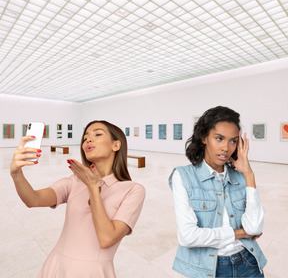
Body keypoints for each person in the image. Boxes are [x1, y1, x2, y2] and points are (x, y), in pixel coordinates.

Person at [10, 120, 145, 278]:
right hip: (56, 266)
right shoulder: (74, 181)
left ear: (116, 145)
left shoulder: (133, 190)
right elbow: (33, 200)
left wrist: (93, 188)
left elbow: (107, 239)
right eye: (85, 137)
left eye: (97, 134)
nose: (88, 139)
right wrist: (16, 174)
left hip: (93, 273)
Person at [169, 106, 267, 278]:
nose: (226, 147)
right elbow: (188, 237)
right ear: (204, 137)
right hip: (210, 269)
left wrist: (249, 174)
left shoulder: (241, 178)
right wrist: (241, 233)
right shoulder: (183, 176)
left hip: (248, 263)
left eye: (233, 141)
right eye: (219, 138)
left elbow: (255, 227)